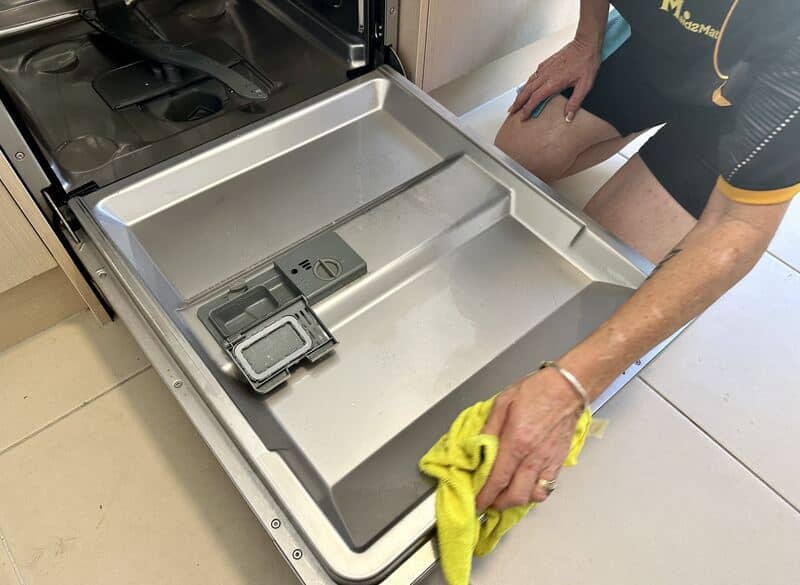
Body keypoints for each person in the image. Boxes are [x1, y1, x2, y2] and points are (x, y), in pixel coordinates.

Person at [476, 0, 800, 511]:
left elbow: (738, 226)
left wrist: (571, 385)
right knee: (523, 149)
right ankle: (632, 122)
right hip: (654, 51)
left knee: (610, 266)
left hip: (741, 103)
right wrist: (586, 43)